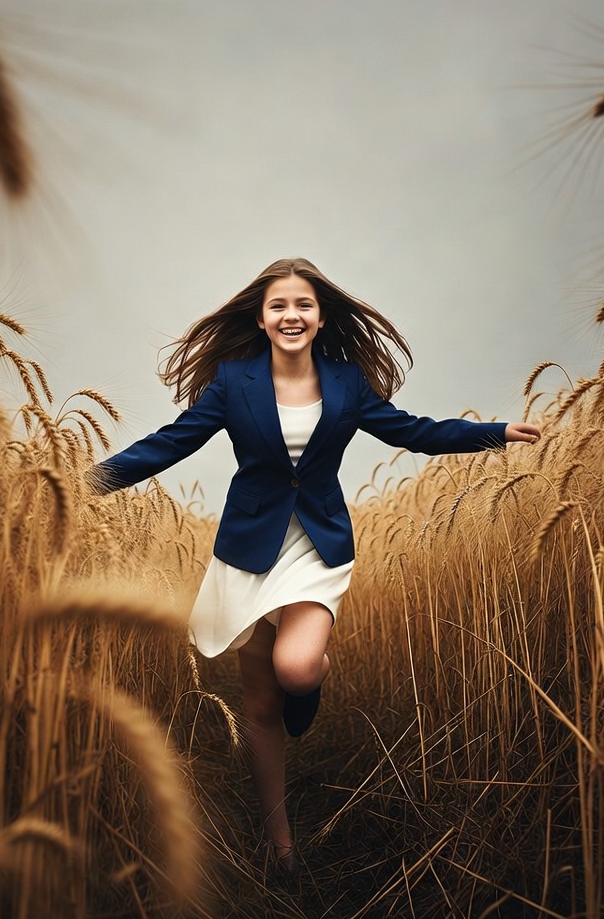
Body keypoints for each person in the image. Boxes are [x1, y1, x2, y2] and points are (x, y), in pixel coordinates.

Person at [89, 257, 541, 870]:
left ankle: (312, 683)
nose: (291, 315)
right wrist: (88, 481)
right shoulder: (233, 382)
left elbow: (412, 431)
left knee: (296, 670)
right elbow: (171, 442)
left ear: (322, 317)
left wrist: (491, 432)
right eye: (278, 305)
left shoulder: (347, 384)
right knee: (260, 706)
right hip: (249, 549)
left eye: (303, 304)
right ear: (262, 317)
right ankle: (282, 845)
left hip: (316, 546)